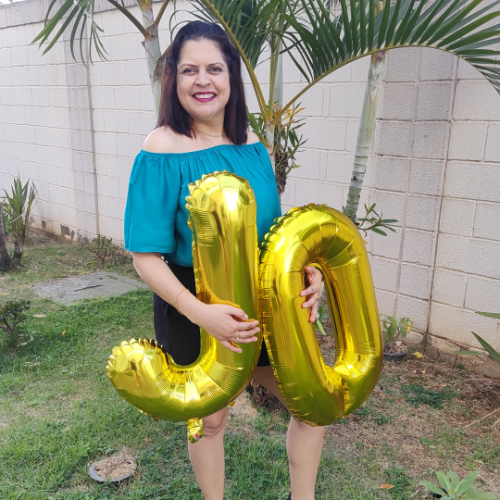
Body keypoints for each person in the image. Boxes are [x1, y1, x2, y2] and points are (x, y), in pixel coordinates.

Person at [124, 21, 325, 500]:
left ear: (231, 77)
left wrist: (309, 271)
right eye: (189, 70)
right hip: (194, 301)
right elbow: (144, 256)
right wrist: (201, 313)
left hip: (264, 298)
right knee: (208, 421)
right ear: (174, 79)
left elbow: (273, 232)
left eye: (214, 68)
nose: (203, 81)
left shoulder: (252, 145)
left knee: (312, 405)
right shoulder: (161, 148)